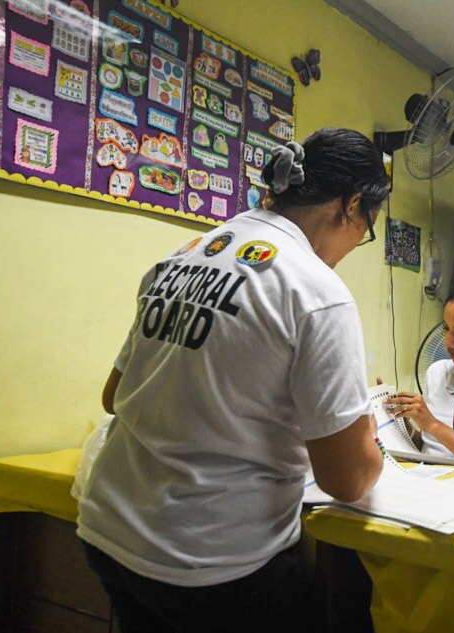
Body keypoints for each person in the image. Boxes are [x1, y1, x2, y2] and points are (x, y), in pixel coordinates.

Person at [77, 128, 388, 632]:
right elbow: (347, 479)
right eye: (365, 229)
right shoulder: (318, 290)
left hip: (108, 532)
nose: (356, 245)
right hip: (208, 563)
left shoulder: (186, 253)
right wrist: (369, 435)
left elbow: (115, 397)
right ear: (350, 206)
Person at [383, 282, 454, 461]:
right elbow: (428, 447)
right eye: (445, 329)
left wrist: (432, 424)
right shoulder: (437, 372)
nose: (448, 342)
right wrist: (404, 423)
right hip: (428, 477)